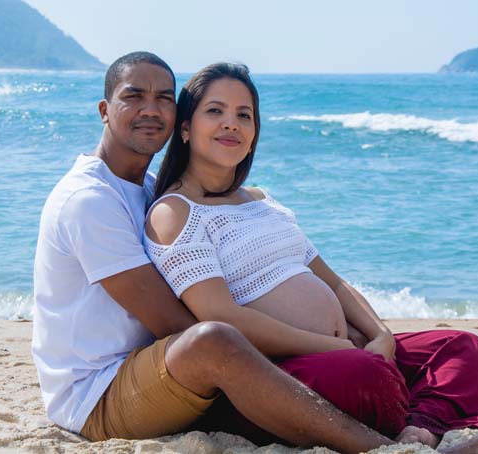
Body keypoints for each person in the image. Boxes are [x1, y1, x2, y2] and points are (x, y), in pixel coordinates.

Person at [145, 62, 478, 453]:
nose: (231, 123)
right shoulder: (176, 212)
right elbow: (223, 317)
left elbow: (331, 279)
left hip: (346, 350)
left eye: (244, 114)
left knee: (461, 346)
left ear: (255, 131)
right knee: (370, 378)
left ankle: (429, 428)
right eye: (215, 110)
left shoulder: (261, 201)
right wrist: (335, 348)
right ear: (185, 128)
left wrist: (380, 335)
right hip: (280, 372)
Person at [31, 51, 402, 454]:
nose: (151, 110)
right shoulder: (89, 199)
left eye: (165, 99)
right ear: (105, 110)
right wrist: (318, 343)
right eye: (134, 96)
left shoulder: (149, 187)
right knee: (211, 338)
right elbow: (174, 321)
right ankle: (376, 447)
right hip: (98, 393)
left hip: (157, 365)